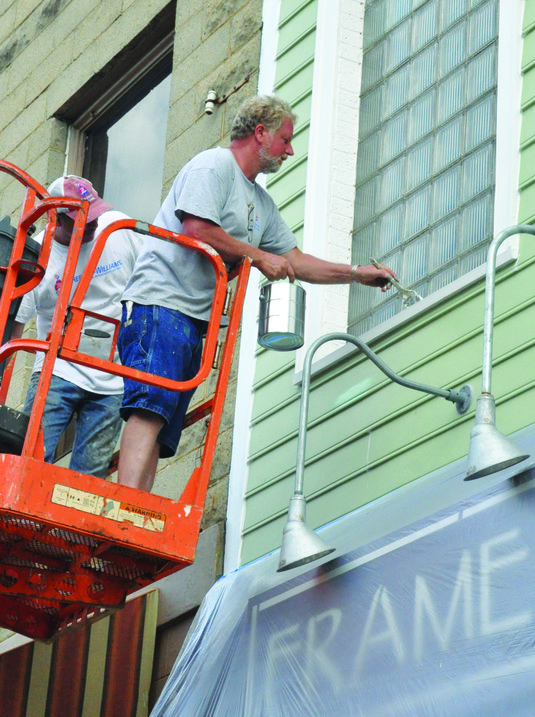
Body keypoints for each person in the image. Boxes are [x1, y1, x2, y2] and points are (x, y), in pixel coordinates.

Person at [117, 94, 396, 491]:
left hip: (194, 320)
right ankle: (126, 506)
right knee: (148, 408)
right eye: (285, 139)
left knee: (161, 423)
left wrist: (356, 274)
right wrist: (257, 255)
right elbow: (196, 229)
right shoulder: (213, 165)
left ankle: (138, 511)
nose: (290, 149)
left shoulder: (261, 203)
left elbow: (295, 261)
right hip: (159, 302)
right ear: (260, 133)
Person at [13, 175, 143, 478]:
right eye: (82, 219)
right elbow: (14, 330)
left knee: (88, 481)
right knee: (27, 463)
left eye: (94, 213)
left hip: (112, 378)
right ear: (56, 218)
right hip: (56, 371)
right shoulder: (38, 256)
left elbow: (157, 272)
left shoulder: (118, 229)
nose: (93, 223)